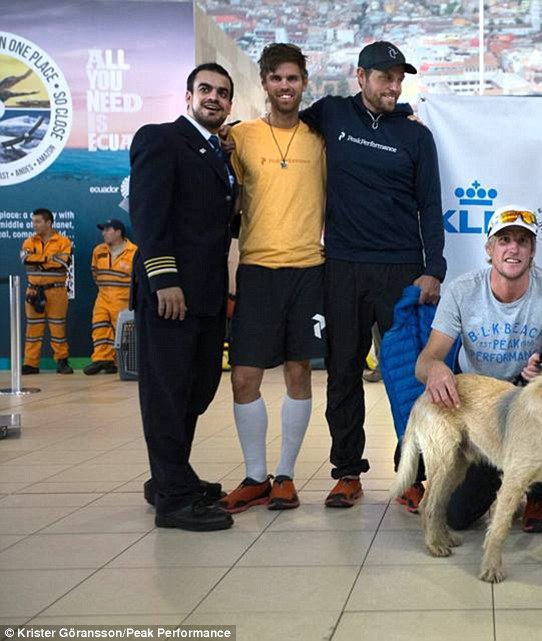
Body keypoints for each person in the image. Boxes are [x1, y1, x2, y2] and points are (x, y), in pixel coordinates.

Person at [299, 41, 445, 508]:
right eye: (385, 76)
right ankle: (346, 471)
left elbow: (431, 206)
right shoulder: (332, 114)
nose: (394, 85)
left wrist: (433, 269)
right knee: (342, 372)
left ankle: (414, 475)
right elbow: (283, 130)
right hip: (342, 266)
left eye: (399, 77)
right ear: (360, 76)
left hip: (402, 268)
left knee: (407, 376)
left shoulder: (416, 136)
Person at [415, 206, 542, 531]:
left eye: (522, 240)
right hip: (474, 409)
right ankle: (496, 479)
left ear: (533, 250)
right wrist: (435, 368)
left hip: (524, 407)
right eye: (504, 239)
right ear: (489, 249)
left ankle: (537, 495)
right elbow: (426, 360)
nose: (513, 248)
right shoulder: (463, 290)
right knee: (454, 514)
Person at [216, 44, 326, 514]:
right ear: (264, 82)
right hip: (257, 269)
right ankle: (255, 476)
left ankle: (285, 476)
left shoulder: (321, 138)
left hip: (309, 269)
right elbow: (227, 202)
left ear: (304, 83)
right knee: (244, 377)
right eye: (277, 78)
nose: (285, 86)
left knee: (299, 372)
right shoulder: (239, 138)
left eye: (293, 78)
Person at [128, 62, 237, 532]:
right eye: (206, 89)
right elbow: (148, 215)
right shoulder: (160, 139)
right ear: (188, 94)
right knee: (168, 392)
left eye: (223, 92)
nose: (214, 97)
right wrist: (163, 278)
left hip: (208, 294)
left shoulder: (219, 153)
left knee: (196, 388)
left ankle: (170, 476)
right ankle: (173, 498)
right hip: (171, 292)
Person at [20, 208, 73, 375]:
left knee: (58, 328)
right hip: (33, 291)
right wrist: (48, 259)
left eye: (37, 221)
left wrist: (39, 260)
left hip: (56, 291)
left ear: (48, 223)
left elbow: (62, 263)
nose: (34, 225)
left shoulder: (63, 241)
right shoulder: (29, 241)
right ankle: (30, 363)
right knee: (32, 329)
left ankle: (62, 361)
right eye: (33, 221)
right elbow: (25, 260)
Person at [84, 218, 137, 375]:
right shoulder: (98, 251)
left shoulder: (133, 251)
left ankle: (124, 363)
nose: (104, 233)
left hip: (124, 299)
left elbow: (138, 277)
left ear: (119, 232)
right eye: (103, 230)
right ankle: (102, 360)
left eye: (108, 230)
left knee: (125, 332)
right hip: (103, 297)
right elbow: (95, 272)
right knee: (100, 328)